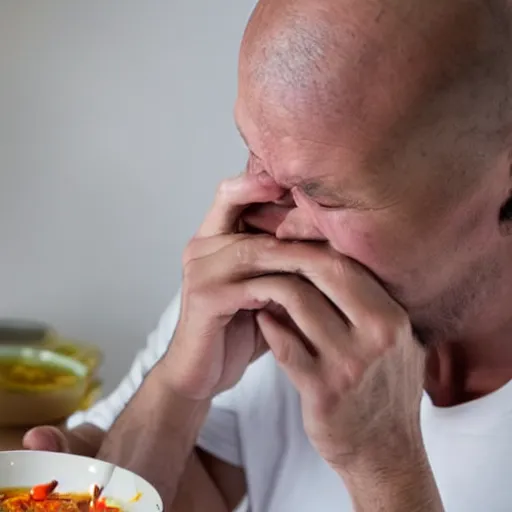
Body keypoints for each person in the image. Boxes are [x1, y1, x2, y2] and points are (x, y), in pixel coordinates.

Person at [25, 0, 512, 510]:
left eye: (322, 195)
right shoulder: (285, 274)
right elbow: (172, 494)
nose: (272, 222)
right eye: (256, 157)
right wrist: (178, 391)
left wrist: (385, 469)